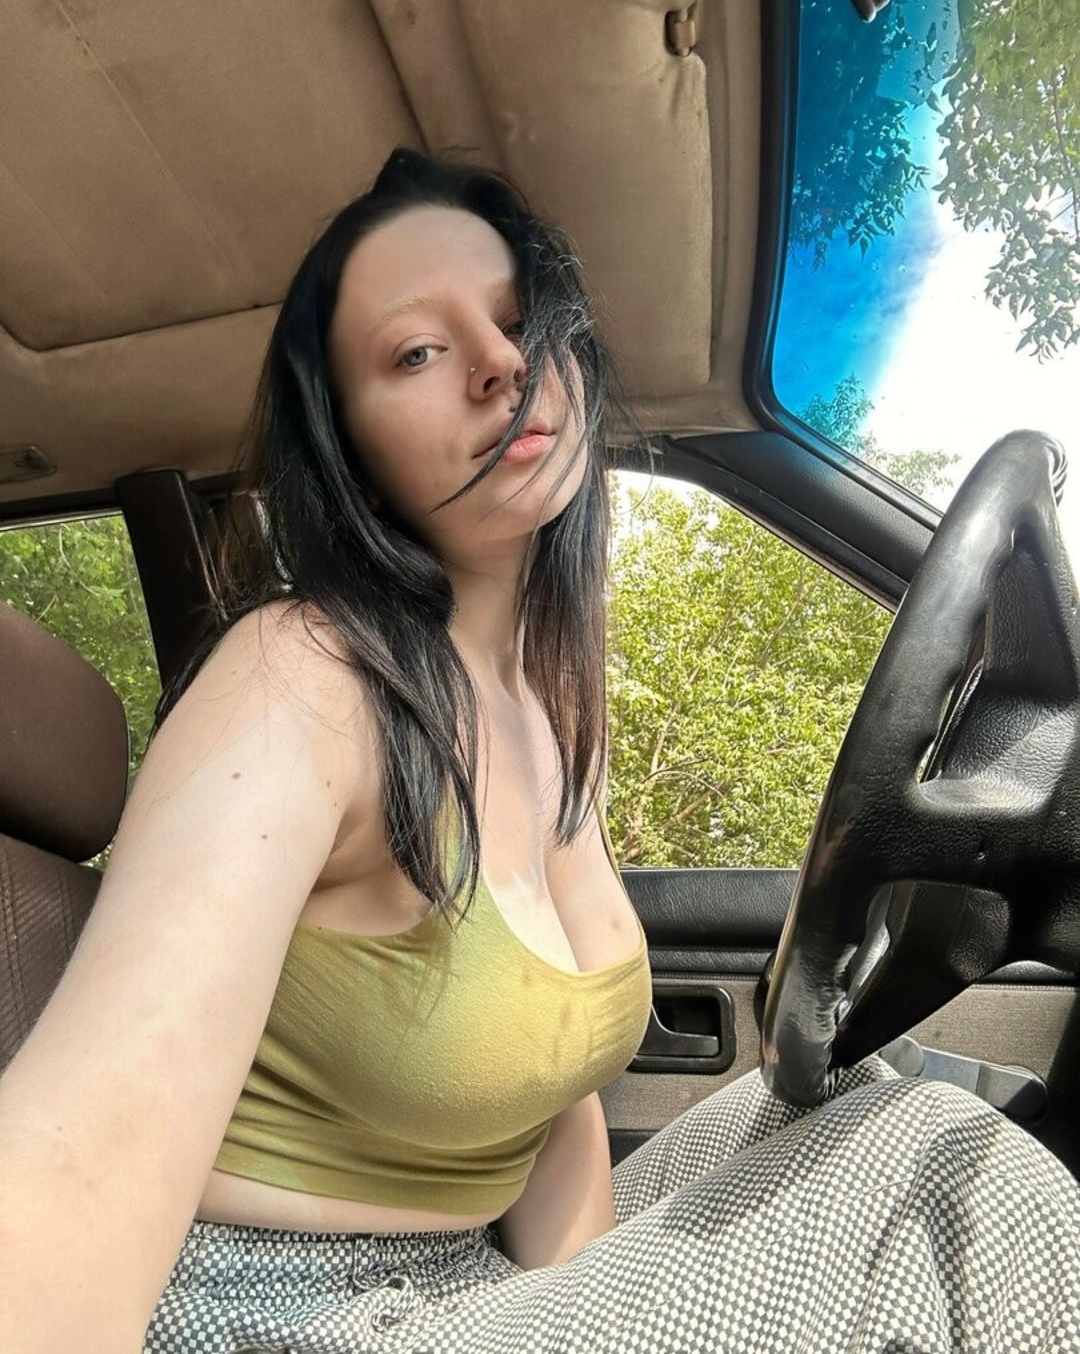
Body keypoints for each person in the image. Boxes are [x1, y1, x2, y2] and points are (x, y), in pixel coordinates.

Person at [0, 149, 1077, 1354]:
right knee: (943, 1186)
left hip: (466, 1280)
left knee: (858, 1097)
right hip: (276, 1312)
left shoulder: (545, 708)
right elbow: (76, 1166)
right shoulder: (297, 683)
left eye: (518, 320)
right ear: (348, 448)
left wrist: (611, 1308)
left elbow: (553, 1101)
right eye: (418, 351)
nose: (502, 364)